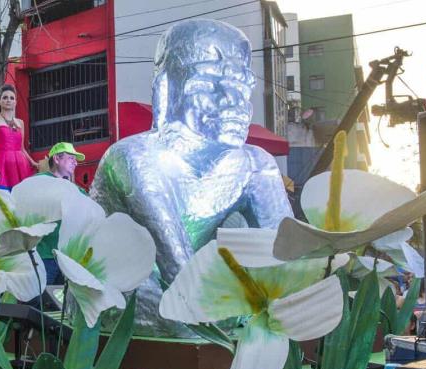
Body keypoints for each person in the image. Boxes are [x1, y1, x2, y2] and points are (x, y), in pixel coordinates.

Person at [91, 20, 293, 336]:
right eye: (208, 84)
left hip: (207, 290)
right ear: (166, 91)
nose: (233, 102)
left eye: (240, 86)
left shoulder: (255, 164)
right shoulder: (134, 158)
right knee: (162, 309)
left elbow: (289, 261)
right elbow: (177, 271)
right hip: (133, 286)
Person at [33, 142, 86, 286]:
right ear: (56, 159)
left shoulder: (76, 190)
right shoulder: (37, 183)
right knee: (39, 300)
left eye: (76, 159)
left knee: (59, 304)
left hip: (67, 258)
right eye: (71, 158)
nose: (75, 162)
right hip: (44, 255)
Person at [0, 84, 39, 197]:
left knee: (23, 197)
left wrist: (33, 162)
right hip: (2, 164)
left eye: (12, 98)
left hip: (21, 165)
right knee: (2, 198)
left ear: (15, 102)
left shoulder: (20, 123)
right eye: (4, 97)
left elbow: (22, 148)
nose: (8, 100)